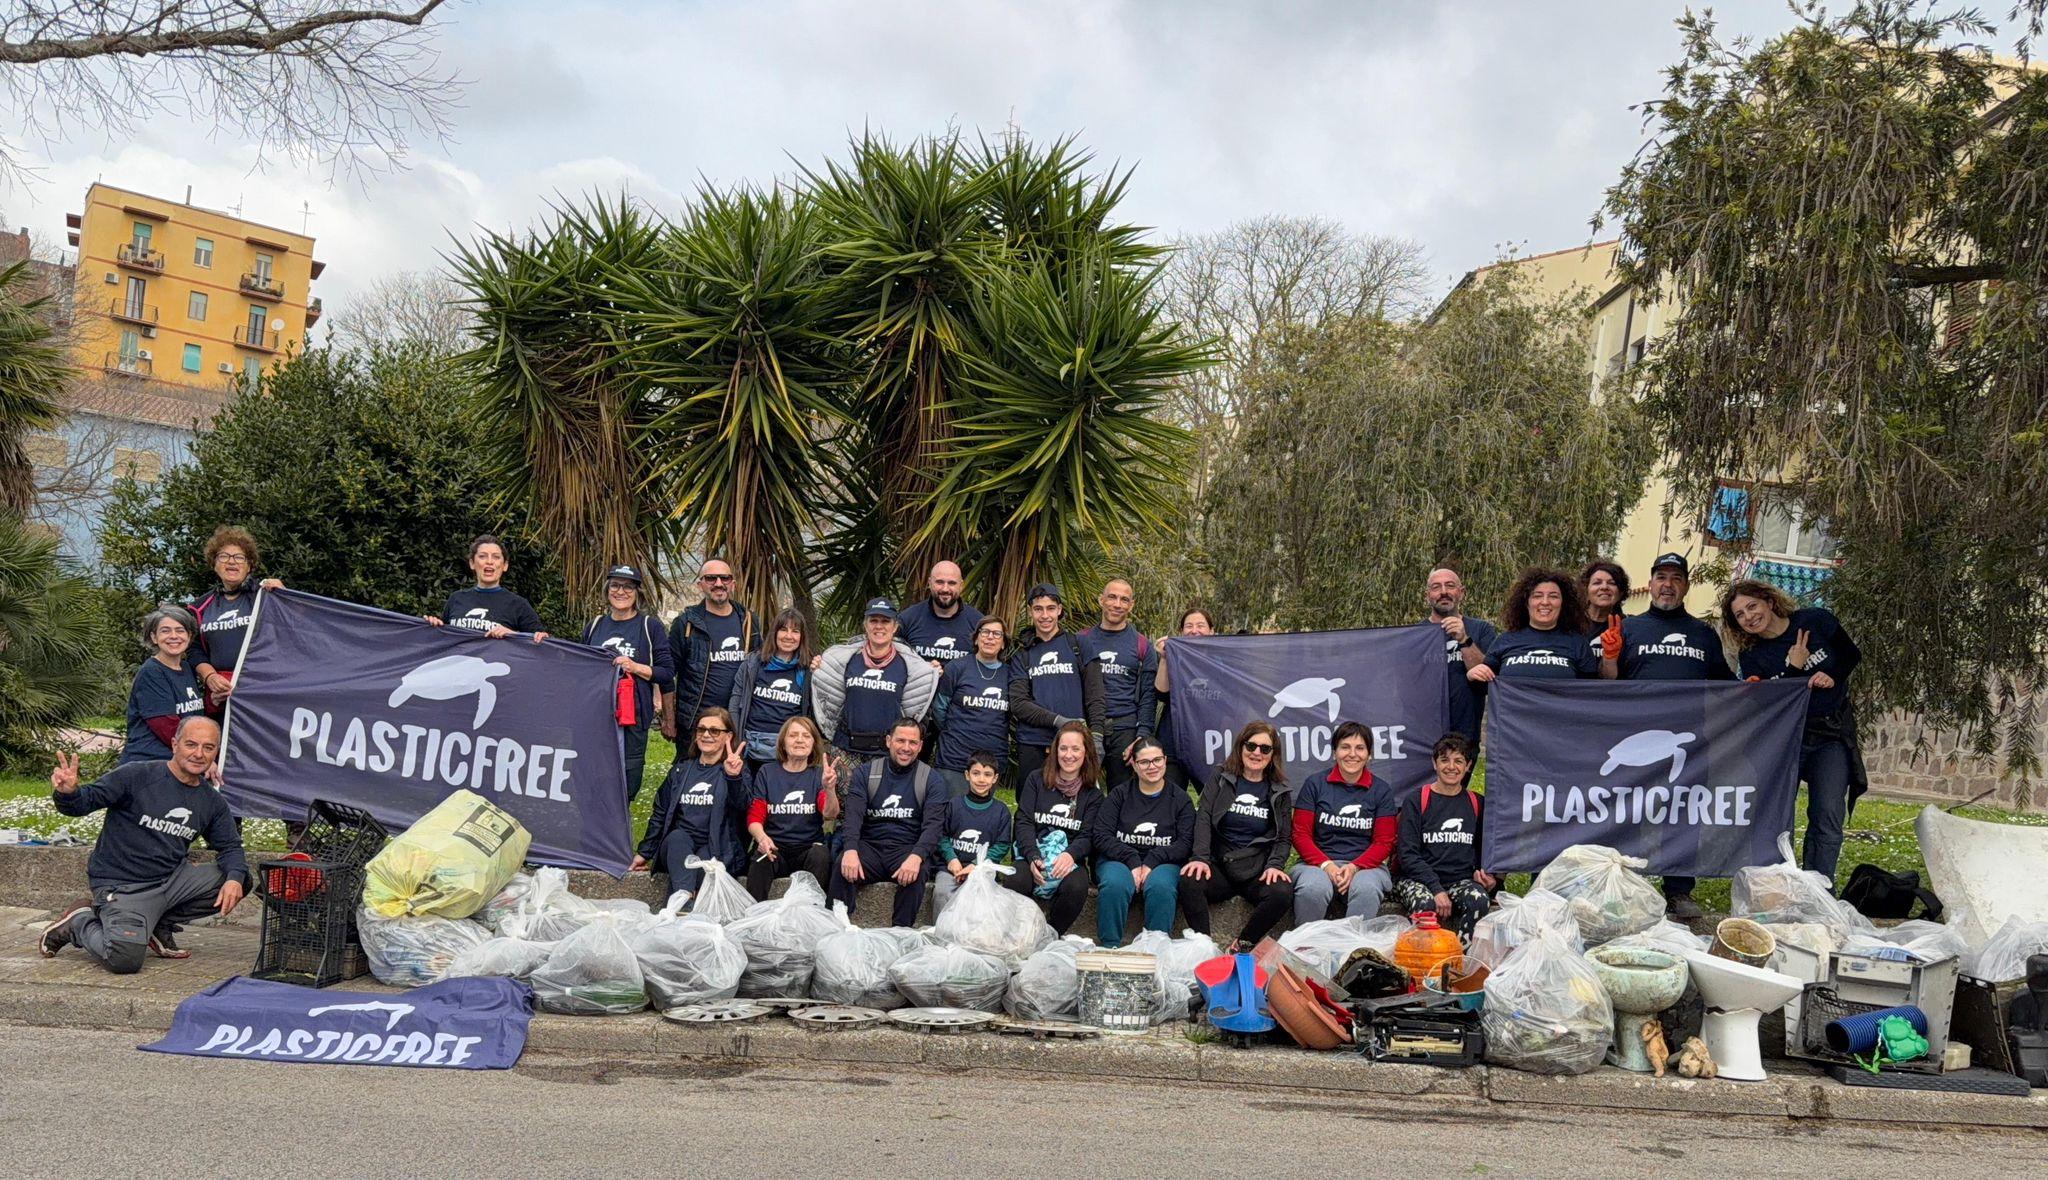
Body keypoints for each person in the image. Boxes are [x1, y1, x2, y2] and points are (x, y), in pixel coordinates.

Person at [39, 717, 246, 973]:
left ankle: (157, 925)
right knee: (124, 960)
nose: (198, 754)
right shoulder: (137, 775)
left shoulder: (211, 801)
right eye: (191, 744)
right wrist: (68, 793)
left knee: (237, 879)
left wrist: (235, 878)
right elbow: (85, 801)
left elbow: (231, 847)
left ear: (216, 752)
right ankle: (79, 921)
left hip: (170, 881)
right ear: (174, 744)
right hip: (123, 886)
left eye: (208, 747)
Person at [1724, 579, 1865, 883]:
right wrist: (1795, 670)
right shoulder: (1753, 658)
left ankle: (1819, 888)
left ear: (1769, 602)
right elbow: (1773, 704)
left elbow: (1850, 654)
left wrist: (1830, 674)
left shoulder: (1816, 620)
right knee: (1774, 815)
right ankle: (1776, 886)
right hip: (1787, 742)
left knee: (1827, 814)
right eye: (1740, 615)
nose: (1749, 616)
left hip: (1830, 733)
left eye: (1752, 606)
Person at [1620, 553, 1734, 919]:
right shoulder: (1628, 628)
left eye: (1676, 578)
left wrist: (1760, 692)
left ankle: (1679, 891)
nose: (1667, 584)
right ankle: (1628, 885)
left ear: (1685, 586)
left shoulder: (1703, 634)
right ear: (1650, 583)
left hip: (1688, 742)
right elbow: (1604, 682)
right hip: (1636, 739)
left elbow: (1724, 685)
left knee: (1683, 813)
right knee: (1629, 812)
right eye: (1660, 577)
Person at [1180, 720, 1296, 950]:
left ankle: (1242, 945)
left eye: (1265, 748)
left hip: (1256, 870)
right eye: (1251, 746)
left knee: (1282, 892)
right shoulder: (1221, 776)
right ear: (1240, 746)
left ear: (1273, 754)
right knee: (1189, 880)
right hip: (1220, 865)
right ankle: (1204, 948)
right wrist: (1200, 857)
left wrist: (1274, 865)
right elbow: (1203, 817)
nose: (1256, 753)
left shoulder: (1279, 789)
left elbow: (1284, 837)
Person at [831, 718, 948, 927]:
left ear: (921, 746)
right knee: (842, 864)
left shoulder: (932, 779)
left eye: (913, 743)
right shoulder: (865, 773)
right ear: (888, 741)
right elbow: (852, 816)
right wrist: (850, 850)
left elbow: (933, 827)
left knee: (918, 871)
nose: (906, 748)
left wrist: (916, 857)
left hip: (906, 849)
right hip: (870, 847)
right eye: (900, 741)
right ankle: (835, 928)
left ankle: (899, 935)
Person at [812, 598, 940, 779]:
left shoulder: (909, 665)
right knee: (845, 806)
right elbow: (831, 698)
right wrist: (819, 668)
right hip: (846, 751)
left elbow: (915, 711)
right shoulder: (845, 659)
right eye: (873, 620)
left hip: (888, 753)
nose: (879, 626)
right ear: (865, 625)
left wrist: (932, 673)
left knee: (882, 806)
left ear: (895, 627)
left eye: (885, 621)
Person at [630, 707, 745, 903]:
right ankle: (685, 895)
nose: (706, 735)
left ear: (728, 736)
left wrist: (734, 778)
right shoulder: (681, 771)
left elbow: (744, 806)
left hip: (715, 845)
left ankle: (681, 901)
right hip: (679, 845)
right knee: (677, 838)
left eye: (714, 731)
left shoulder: (735, 771)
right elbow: (660, 812)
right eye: (701, 730)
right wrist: (644, 853)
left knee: (705, 859)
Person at [580, 564, 674, 802]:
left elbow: (666, 672)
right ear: (607, 590)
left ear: (637, 593)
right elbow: (579, 667)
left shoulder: (649, 626)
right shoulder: (595, 626)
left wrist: (635, 667)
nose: (621, 592)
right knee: (595, 780)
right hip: (598, 717)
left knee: (627, 784)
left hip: (633, 717)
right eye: (615, 586)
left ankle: (619, 835)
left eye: (628, 587)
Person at [1290, 721, 1399, 923]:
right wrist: (1327, 865)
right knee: (1313, 889)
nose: (1352, 754)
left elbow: (1385, 841)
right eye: (1345, 747)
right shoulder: (1315, 784)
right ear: (1334, 752)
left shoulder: (1381, 790)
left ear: (1369, 754)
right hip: (1316, 864)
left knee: (1366, 889)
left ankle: (1353, 950)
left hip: (1367, 866)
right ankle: (1303, 948)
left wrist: (1354, 867)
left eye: (1360, 748)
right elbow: (1300, 834)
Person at [1093, 737, 1195, 946]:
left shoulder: (1180, 799)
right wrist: (1131, 860)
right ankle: (1109, 947)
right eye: (1144, 762)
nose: (1152, 766)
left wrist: (1152, 861)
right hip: (1118, 859)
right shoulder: (1119, 795)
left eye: (1157, 760)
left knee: (1161, 887)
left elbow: (1185, 843)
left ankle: (1155, 951)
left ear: (1165, 761)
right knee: (1115, 884)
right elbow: (1101, 835)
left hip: (1165, 861)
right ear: (1134, 764)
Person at [1392, 733, 1495, 940]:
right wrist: (1436, 889)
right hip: (1416, 880)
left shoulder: (1476, 803)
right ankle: (1422, 961)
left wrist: (1488, 876)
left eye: (1458, 761)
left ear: (1468, 766)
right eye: (1444, 760)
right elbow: (1407, 854)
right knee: (1425, 904)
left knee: (1479, 899)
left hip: (1459, 880)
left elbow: (1487, 849)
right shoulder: (1417, 800)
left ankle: (1459, 962)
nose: (1451, 767)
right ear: (1434, 763)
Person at [1005, 720, 1102, 935]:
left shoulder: (1092, 794)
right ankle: (1017, 935)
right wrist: (1033, 857)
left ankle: (1051, 935)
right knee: (1015, 879)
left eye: (1076, 748)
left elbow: (1089, 835)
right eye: (1064, 748)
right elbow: (1023, 821)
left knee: (1077, 886)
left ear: (1086, 752)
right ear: (1055, 750)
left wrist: (1070, 855)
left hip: (1068, 861)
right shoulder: (1036, 780)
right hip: (1033, 855)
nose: (1069, 755)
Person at [1009, 583, 1106, 774]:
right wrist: (1059, 721)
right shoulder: (1023, 654)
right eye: (1038, 609)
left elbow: (1095, 694)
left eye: (1050, 608)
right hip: (1032, 742)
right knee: (1032, 801)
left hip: (1073, 743)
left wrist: (1096, 736)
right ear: (1030, 611)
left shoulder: (1079, 645)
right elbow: (1019, 703)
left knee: (1074, 801)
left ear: (1059, 610)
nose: (1045, 616)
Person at [743, 716, 840, 901]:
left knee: (821, 855)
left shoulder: (818, 775)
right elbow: (755, 817)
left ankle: (812, 914)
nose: (799, 740)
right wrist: (762, 839)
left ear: (813, 743)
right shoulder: (767, 772)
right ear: (783, 742)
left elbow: (830, 814)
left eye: (806, 736)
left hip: (807, 850)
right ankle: (755, 918)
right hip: (775, 847)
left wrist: (829, 788)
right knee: (761, 857)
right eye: (793, 735)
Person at [188, 526, 284, 709]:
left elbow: (291, 629)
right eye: (224, 556)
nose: (232, 562)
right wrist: (210, 677)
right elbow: (194, 650)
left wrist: (284, 596)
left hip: (263, 691)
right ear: (214, 563)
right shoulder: (199, 607)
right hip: (220, 694)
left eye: (239, 557)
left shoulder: (265, 596)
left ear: (249, 565)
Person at [1468, 567, 1618, 685]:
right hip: (1514, 723)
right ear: (1526, 603)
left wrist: (1609, 658)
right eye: (1537, 596)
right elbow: (1484, 684)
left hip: (1561, 723)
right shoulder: (1505, 640)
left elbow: (1592, 690)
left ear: (1563, 604)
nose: (1545, 602)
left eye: (1553, 596)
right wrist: (1473, 674)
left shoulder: (1577, 643)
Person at [664, 559, 758, 745]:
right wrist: (669, 718)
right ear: (700, 585)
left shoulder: (748, 621)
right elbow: (667, 674)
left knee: (734, 772)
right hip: (695, 721)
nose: (718, 583)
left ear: (733, 584)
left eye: (724, 578)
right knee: (690, 771)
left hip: (737, 719)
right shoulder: (686, 623)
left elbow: (761, 665)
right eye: (710, 578)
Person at [1078, 579, 1158, 791]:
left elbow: (1148, 695)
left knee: (1122, 794)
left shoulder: (1142, 645)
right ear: (1101, 600)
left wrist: (1142, 735)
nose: (1117, 604)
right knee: (1081, 790)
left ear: (1131, 605)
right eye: (1112, 597)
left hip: (1125, 730)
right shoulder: (1081, 640)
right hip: (1087, 726)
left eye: (1124, 599)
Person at [932, 615, 1016, 788]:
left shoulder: (1011, 675)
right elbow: (940, 709)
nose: (990, 637)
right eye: (985, 632)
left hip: (990, 762)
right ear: (976, 638)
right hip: (954, 759)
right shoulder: (957, 668)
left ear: (1004, 643)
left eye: (997, 634)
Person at [930, 752, 1015, 917]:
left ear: (995, 778)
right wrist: (951, 859)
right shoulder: (953, 805)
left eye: (987, 774)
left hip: (981, 869)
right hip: (951, 868)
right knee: (941, 892)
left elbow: (1002, 845)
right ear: (967, 775)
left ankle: (973, 939)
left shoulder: (1001, 811)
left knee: (981, 899)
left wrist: (976, 865)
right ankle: (940, 935)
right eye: (976, 773)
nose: (981, 779)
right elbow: (941, 835)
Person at [729, 609, 815, 769]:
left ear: (802, 637)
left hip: (788, 751)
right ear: (774, 632)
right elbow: (735, 705)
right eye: (783, 629)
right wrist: (737, 741)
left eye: (795, 631)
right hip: (750, 750)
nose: (789, 636)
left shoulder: (808, 670)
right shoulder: (752, 664)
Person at [122, 606, 207, 766]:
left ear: (189, 636)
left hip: (179, 763)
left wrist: (215, 700)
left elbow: (194, 714)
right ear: (154, 637)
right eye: (165, 631)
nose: (174, 636)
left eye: (180, 631)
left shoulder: (187, 668)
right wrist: (203, 758)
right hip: (149, 765)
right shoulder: (152, 672)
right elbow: (168, 728)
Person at [1423, 566, 1497, 747]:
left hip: (1465, 734)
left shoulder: (1482, 630)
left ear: (1461, 593)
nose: (1443, 592)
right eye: (1436, 587)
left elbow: (1490, 679)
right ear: (1427, 596)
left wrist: (1464, 639)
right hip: (1423, 733)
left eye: (1450, 586)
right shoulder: (1414, 635)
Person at [426, 534, 548, 640]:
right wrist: (433, 627)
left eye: (496, 557)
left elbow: (542, 643)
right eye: (482, 556)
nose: (489, 561)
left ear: (505, 565)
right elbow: (443, 639)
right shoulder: (456, 599)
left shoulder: (518, 605)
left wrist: (513, 635)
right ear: (472, 563)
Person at [1154, 607, 1214, 790]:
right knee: (1170, 799)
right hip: (1174, 741)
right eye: (1188, 626)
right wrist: (1165, 658)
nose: (1194, 630)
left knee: (1213, 802)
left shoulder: (1222, 663)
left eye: (1200, 625)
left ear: (1212, 631)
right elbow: (1161, 693)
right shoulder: (1173, 658)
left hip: (1209, 744)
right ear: (1181, 632)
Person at [896, 560, 984, 669]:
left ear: (961, 585)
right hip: (920, 684)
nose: (945, 589)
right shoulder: (908, 618)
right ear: (930, 583)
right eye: (939, 582)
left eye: (952, 583)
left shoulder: (978, 622)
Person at [1580, 558, 1631, 636]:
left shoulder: (1629, 627)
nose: (1604, 587)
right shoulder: (1571, 625)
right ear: (1586, 590)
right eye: (1597, 583)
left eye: (1612, 583)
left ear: (1621, 593)